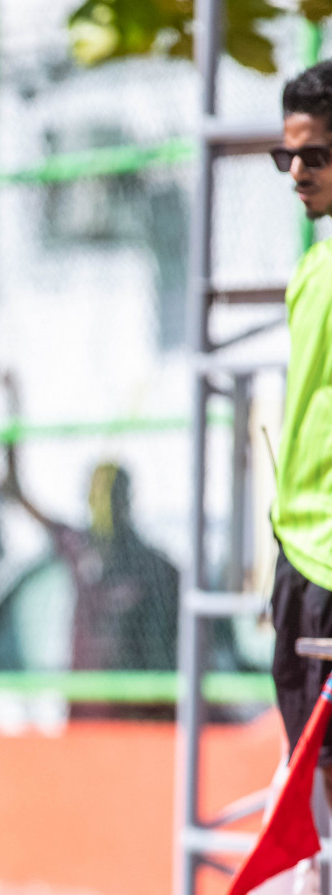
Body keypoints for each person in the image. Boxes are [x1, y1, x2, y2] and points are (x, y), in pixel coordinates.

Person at [0, 375, 179, 673]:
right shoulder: (77, 544)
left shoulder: (153, 566)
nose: (104, 505)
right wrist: (12, 408)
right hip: (84, 706)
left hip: (134, 708)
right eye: (97, 495)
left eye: (112, 495)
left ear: (126, 501)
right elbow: (14, 489)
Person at [268, 61, 332, 798]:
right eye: (286, 155)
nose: (295, 172)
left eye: (313, 155)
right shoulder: (311, 272)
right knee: (309, 787)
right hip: (299, 563)